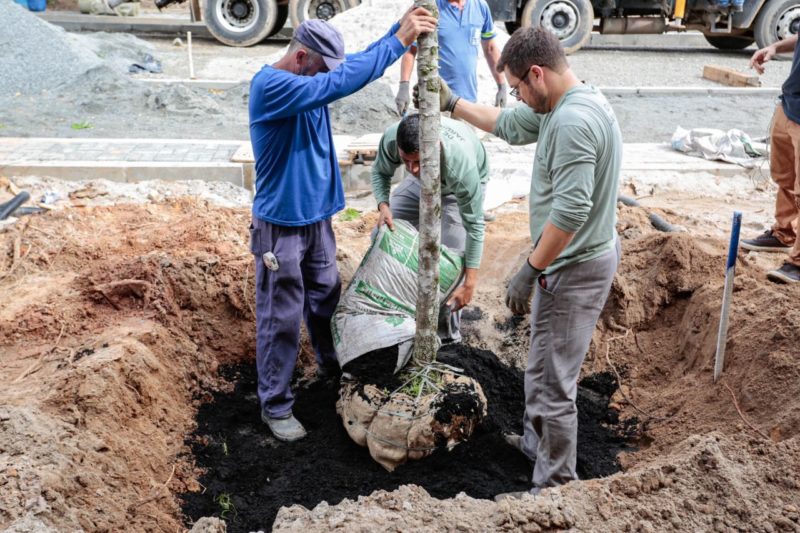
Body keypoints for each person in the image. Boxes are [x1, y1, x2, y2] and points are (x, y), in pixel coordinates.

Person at [421, 26, 622, 496]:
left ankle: (553, 488)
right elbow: (510, 125)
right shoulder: (562, 104)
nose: (518, 98)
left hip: (574, 267)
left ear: (536, 73)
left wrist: (530, 269)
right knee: (541, 366)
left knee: (554, 384)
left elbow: (570, 212)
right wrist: (453, 104)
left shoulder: (572, 123)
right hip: (568, 262)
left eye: (517, 88)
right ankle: (536, 447)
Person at [248, 9, 437, 443]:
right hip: (281, 225)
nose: (328, 77)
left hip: (317, 219)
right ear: (301, 58)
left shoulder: (310, 77)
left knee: (326, 301)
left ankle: (331, 373)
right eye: (322, 69)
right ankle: (275, 404)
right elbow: (341, 81)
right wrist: (398, 43)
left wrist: (398, 31)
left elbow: (349, 67)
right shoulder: (272, 86)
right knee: (281, 317)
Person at [371, 114, 489, 341]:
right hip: (422, 184)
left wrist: (469, 284)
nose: (412, 168)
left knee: (449, 264)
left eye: (418, 161)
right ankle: (402, 306)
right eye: (406, 161)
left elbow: (475, 226)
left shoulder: (460, 168)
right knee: (382, 234)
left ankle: (447, 338)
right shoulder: (393, 138)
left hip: (454, 190)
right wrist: (383, 205)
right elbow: (380, 172)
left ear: (435, 147)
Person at [739, 34, 800, 283]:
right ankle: (784, 233)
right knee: (785, 177)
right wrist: (775, 47)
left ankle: (798, 262)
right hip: (790, 103)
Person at [394, 0, 506, 116]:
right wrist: (404, 86)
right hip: (437, 101)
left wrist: (502, 85)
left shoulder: (480, 6)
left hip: (467, 102)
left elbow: (490, 49)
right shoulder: (431, 8)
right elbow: (410, 51)